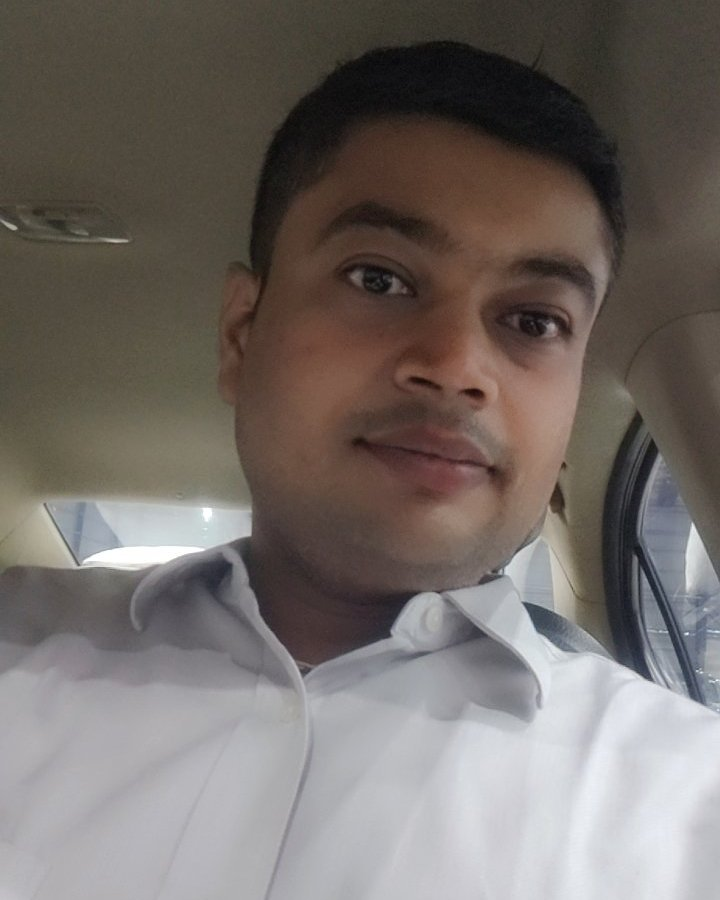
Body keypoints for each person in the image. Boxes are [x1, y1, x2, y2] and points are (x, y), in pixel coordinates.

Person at [1, 41, 719, 900]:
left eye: (534, 322)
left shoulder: (687, 803)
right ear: (241, 335)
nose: (456, 367)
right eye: (379, 279)